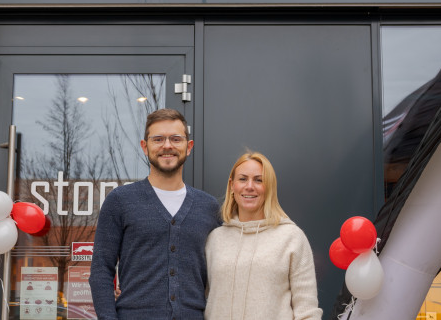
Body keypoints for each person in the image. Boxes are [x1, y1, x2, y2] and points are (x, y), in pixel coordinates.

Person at [89, 108, 220, 320]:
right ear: (145, 146)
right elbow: (101, 270)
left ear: (189, 147)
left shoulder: (209, 207)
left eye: (176, 139)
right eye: (158, 139)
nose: (167, 146)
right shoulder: (120, 201)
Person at [204, 151, 322, 320]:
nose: (250, 186)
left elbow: (307, 311)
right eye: (243, 179)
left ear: (269, 187)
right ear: (232, 185)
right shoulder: (215, 239)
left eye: (259, 180)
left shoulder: (291, 238)